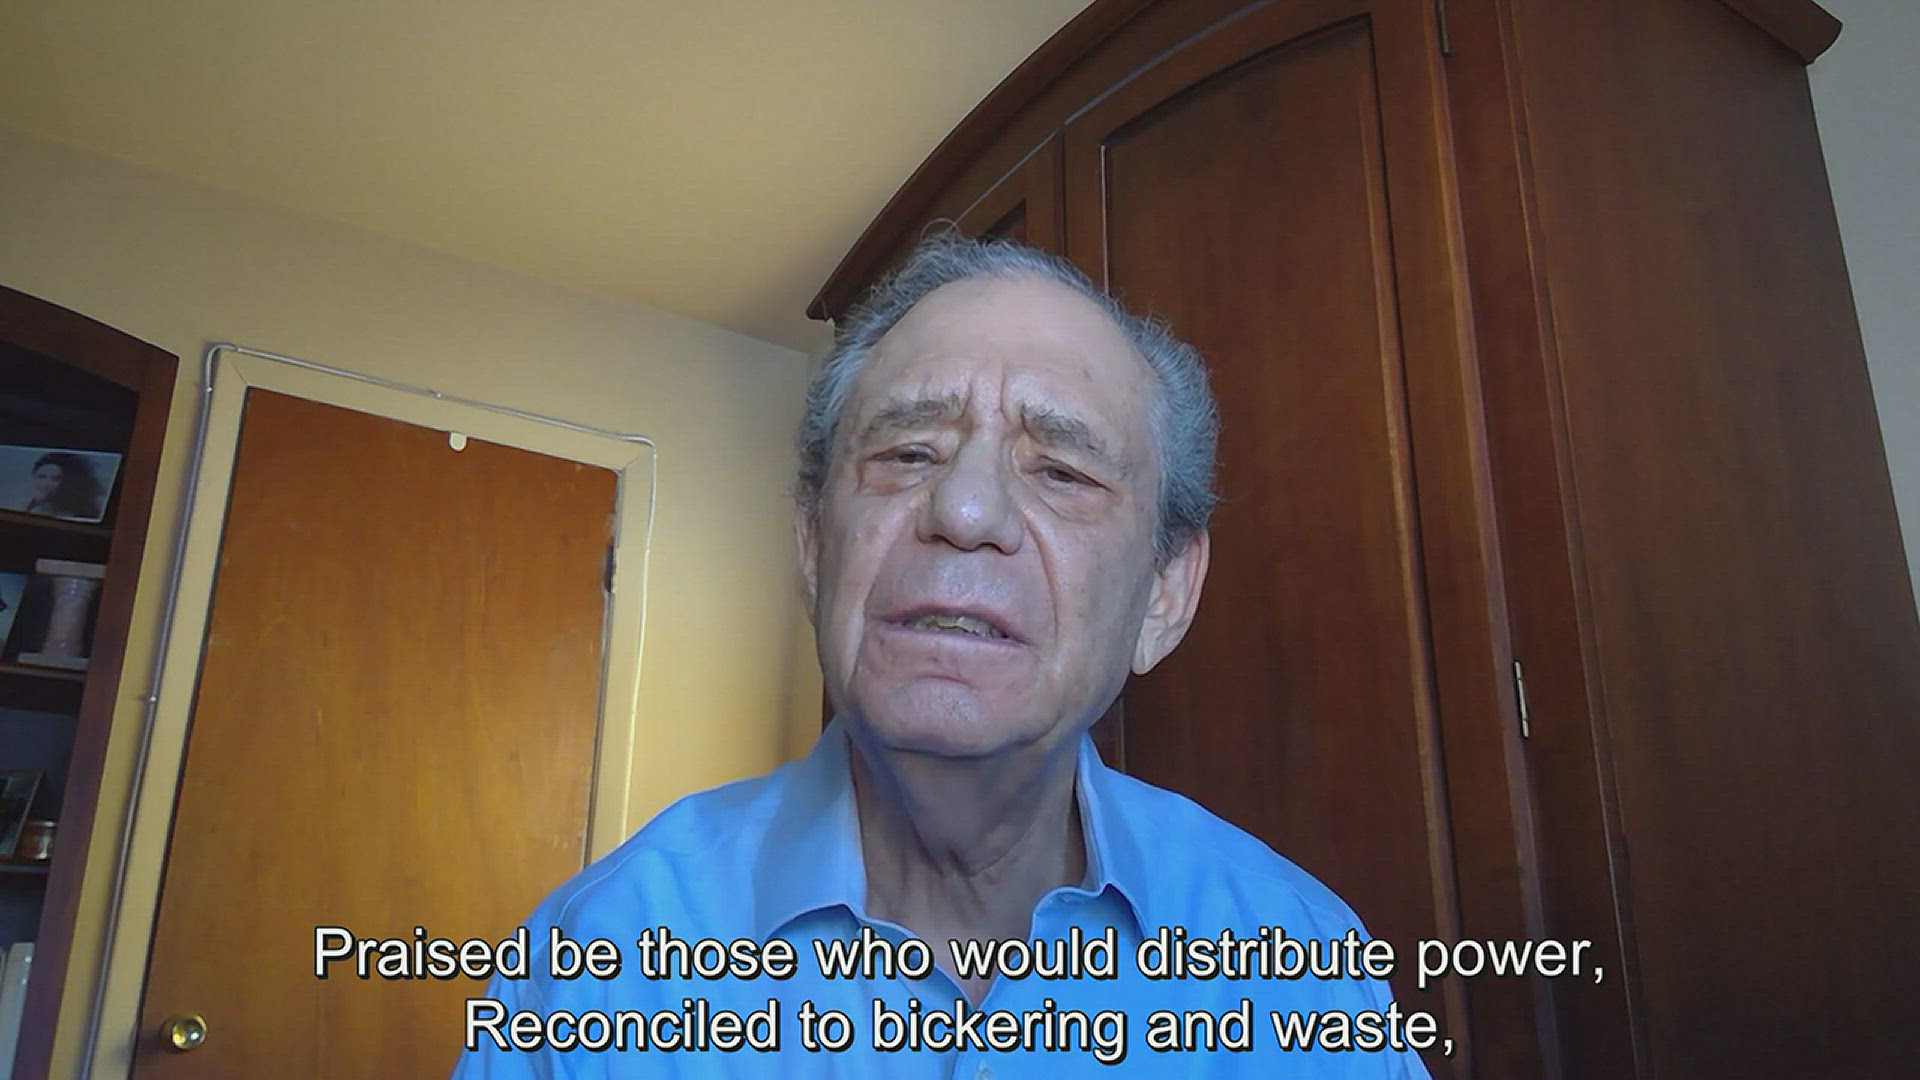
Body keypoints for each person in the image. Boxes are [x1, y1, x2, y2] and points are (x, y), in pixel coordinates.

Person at [455, 236, 1431, 1078]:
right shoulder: (596, 961)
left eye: (1062, 470)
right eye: (908, 454)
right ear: (813, 545)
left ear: (1165, 593)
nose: (963, 511)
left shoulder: (1302, 967)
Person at [24, 451, 107, 520]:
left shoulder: (73, 515)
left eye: (55, 479)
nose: (45, 484)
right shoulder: (30, 506)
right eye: (41, 477)